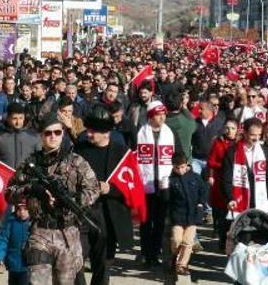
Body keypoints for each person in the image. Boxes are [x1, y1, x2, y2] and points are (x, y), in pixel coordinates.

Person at [5, 112, 100, 285]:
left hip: (68, 232)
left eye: (57, 132)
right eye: (48, 133)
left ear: (63, 133)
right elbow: (9, 193)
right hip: (40, 231)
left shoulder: (76, 162)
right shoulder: (30, 164)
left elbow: (93, 189)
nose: (53, 137)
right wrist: (32, 189)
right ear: (41, 135)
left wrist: (72, 199)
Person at [74, 104, 134, 285]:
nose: (89, 134)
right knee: (75, 259)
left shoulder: (121, 153)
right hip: (81, 213)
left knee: (102, 265)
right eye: (88, 129)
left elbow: (132, 186)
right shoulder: (79, 149)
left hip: (107, 215)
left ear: (106, 132)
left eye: (93, 131)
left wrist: (111, 188)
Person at [137, 101, 182, 267]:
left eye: (164, 114)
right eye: (158, 114)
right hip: (145, 183)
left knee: (160, 222)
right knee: (146, 222)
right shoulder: (140, 132)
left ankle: (155, 253)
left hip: (164, 184)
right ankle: (146, 253)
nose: (162, 117)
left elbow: (179, 155)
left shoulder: (171, 133)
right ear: (150, 115)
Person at [221, 118, 268, 217]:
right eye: (253, 135)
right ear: (244, 133)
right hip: (239, 200)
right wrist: (230, 198)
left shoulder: (264, 151)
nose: (256, 138)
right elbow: (225, 179)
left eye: (259, 135)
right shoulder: (232, 153)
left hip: (259, 201)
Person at [165, 151, 205, 276]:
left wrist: (200, 204)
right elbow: (167, 200)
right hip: (177, 216)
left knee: (188, 241)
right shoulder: (171, 180)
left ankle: (182, 265)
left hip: (192, 215)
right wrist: (164, 190)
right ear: (173, 166)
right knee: (177, 239)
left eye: (182, 167)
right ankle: (174, 256)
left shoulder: (195, 177)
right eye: (177, 168)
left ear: (187, 164)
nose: (180, 170)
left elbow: (203, 191)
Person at [206, 118, 238, 250]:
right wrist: (211, 175)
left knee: (234, 211)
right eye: (227, 128)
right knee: (222, 211)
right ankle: (222, 238)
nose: (229, 131)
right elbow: (211, 161)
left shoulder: (240, 144)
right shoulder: (218, 142)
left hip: (235, 180)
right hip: (220, 179)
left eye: (233, 128)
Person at [0, 103, 41, 170]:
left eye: (21, 118)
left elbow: (40, 158)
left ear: (24, 117)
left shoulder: (33, 136)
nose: (18, 122)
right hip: (4, 177)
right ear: (8, 118)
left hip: (26, 178)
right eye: (14, 118)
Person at [0, 202, 31, 285]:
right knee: (12, 282)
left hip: (27, 263)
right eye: (19, 209)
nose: (22, 212)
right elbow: (4, 239)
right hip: (12, 260)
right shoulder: (11, 222)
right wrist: (0, 256)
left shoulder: (32, 224)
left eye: (25, 209)